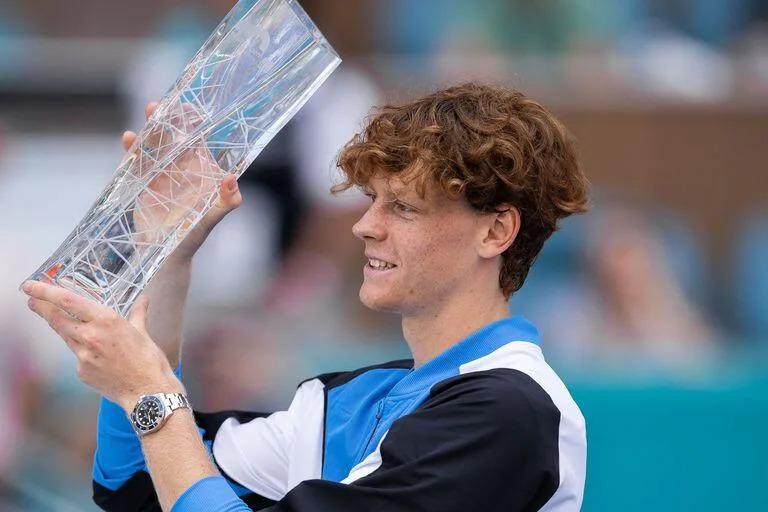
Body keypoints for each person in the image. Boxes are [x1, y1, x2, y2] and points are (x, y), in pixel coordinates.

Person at [22, 83, 590, 511]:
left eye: (404, 207)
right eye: (372, 199)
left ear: (496, 231)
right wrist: (169, 258)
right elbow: (142, 486)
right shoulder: (353, 399)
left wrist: (148, 388)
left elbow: (160, 440)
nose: (365, 226)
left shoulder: (508, 410)